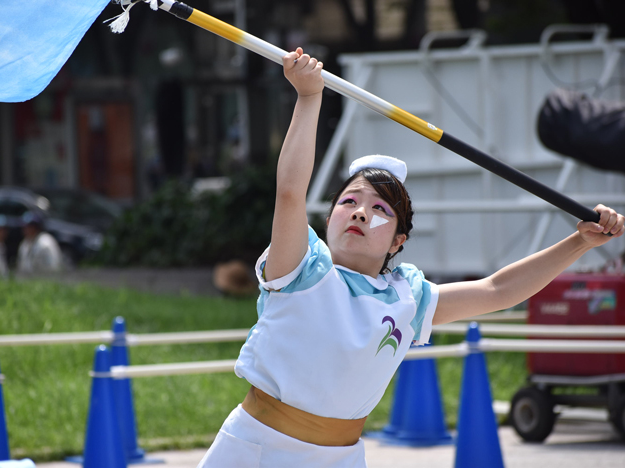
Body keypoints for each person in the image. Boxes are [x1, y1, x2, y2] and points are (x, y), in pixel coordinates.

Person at [196, 48, 625, 467]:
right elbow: (290, 192)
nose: (361, 211)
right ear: (328, 220)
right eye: (349, 201)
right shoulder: (300, 268)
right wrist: (309, 97)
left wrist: (579, 243)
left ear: (398, 242)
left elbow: (498, 289)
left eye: (381, 209)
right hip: (254, 450)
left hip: (341, 458)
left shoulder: (406, 296)